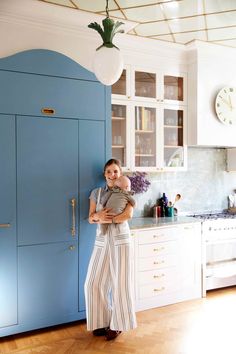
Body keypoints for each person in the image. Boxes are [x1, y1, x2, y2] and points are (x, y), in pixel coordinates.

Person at [84, 159, 137, 341]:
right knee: (92, 282)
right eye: (109, 171)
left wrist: (109, 220)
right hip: (101, 241)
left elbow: (128, 215)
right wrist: (97, 216)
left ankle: (118, 324)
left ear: (120, 173)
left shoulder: (126, 191)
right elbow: (90, 219)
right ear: (105, 174)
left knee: (120, 283)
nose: (112, 174)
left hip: (121, 240)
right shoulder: (97, 193)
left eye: (116, 171)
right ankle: (102, 320)